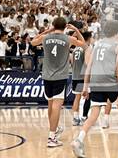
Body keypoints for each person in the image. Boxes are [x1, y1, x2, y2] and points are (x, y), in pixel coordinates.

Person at [71, 20, 118, 157]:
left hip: (95, 81)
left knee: (94, 114)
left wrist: (85, 85)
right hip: (110, 81)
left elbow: (89, 65)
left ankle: (79, 140)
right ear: (117, 32)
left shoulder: (97, 45)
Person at [31, 17, 85, 147]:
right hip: (60, 76)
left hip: (46, 76)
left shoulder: (46, 38)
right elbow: (84, 44)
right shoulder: (68, 39)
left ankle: (53, 133)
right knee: (56, 106)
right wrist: (76, 30)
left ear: (54, 25)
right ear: (65, 27)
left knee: (50, 105)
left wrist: (48, 31)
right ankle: (51, 137)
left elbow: (33, 42)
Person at [70, 31, 93, 126]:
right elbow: (88, 64)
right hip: (83, 77)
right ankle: (84, 117)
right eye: (91, 38)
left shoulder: (75, 49)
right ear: (88, 38)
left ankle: (75, 118)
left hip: (74, 76)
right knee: (88, 96)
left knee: (77, 97)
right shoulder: (87, 48)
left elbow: (71, 61)